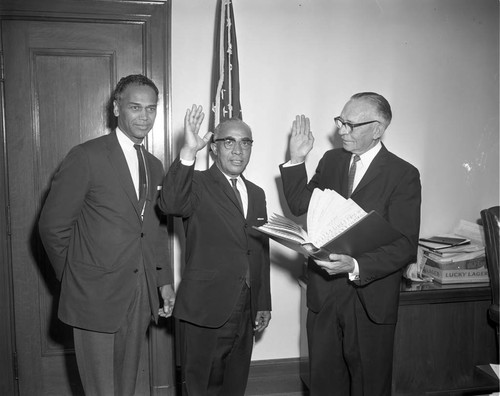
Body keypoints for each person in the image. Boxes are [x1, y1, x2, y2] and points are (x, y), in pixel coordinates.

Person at [38, 74, 175, 396]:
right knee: (100, 387)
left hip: (140, 292)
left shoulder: (154, 165)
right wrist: (75, 277)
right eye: (135, 107)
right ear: (116, 108)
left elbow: (152, 230)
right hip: (94, 295)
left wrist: (163, 280)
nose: (144, 117)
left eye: (151, 109)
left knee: (127, 383)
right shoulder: (86, 156)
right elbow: (51, 226)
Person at [280, 92, 421, 396]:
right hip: (324, 296)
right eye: (340, 121)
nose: (341, 130)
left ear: (378, 129)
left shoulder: (403, 175)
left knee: (370, 387)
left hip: (370, 300)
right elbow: (299, 203)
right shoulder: (332, 160)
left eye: (350, 125)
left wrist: (356, 265)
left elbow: (405, 245)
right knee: (325, 385)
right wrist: (297, 159)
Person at [158, 105, 271, 396]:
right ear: (214, 148)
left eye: (245, 142)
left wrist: (262, 301)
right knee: (201, 387)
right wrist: (188, 152)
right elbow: (170, 204)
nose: (238, 150)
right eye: (229, 142)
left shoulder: (257, 193)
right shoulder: (196, 184)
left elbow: (260, 250)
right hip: (205, 308)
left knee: (234, 383)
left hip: (246, 306)